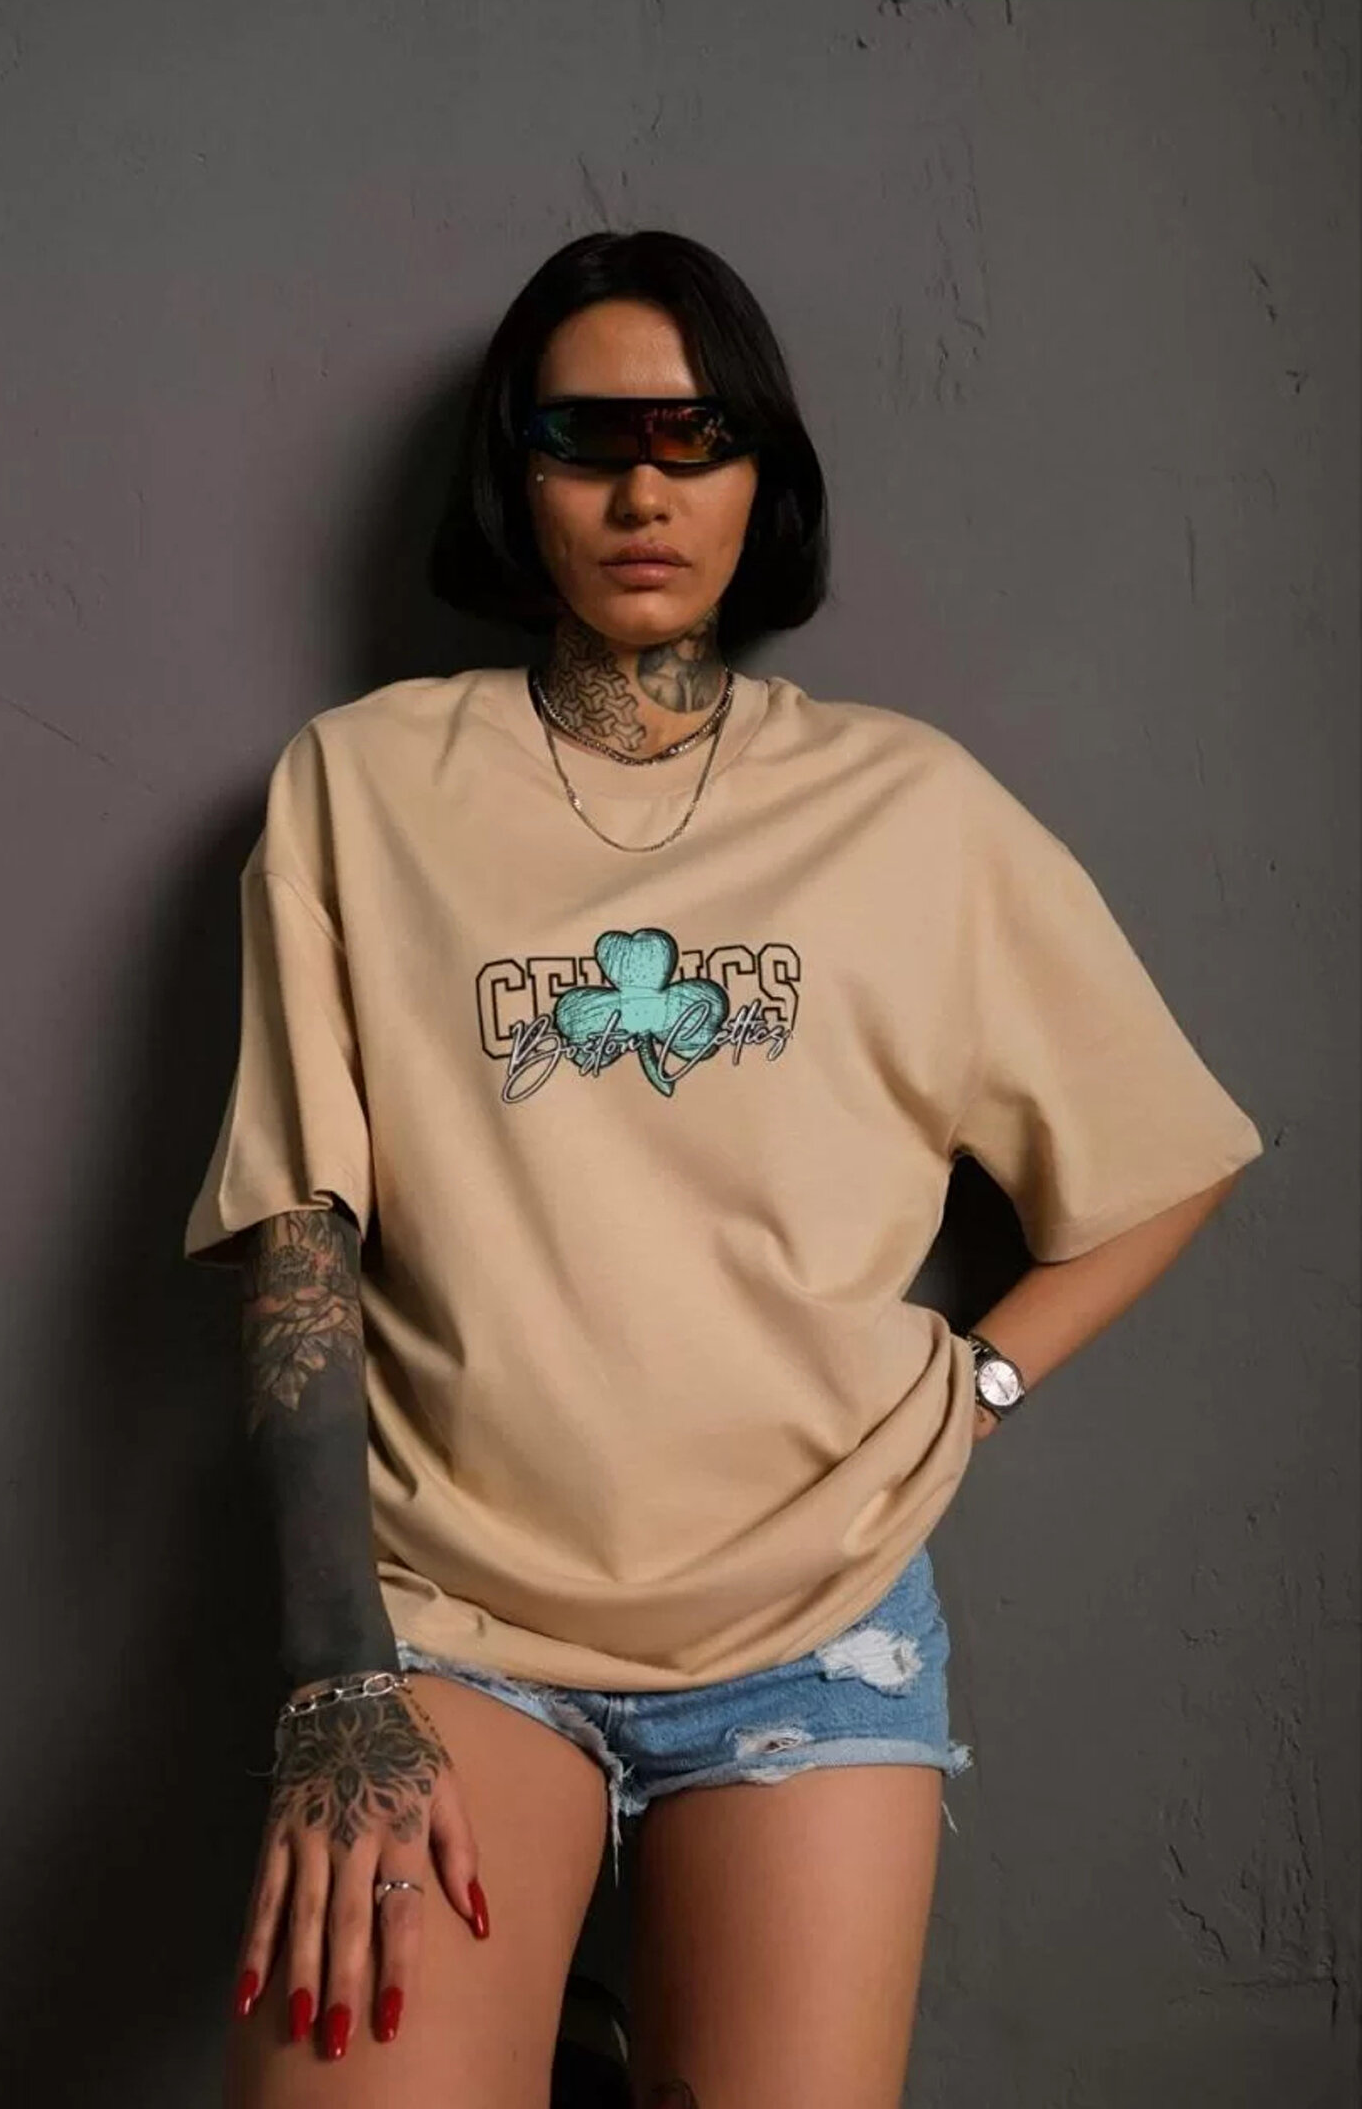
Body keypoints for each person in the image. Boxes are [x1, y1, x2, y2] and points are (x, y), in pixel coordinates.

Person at [183, 229, 1266, 2109]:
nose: (645, 491)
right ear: (516, 476)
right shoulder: (361, 785)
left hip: (812, 1631)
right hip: (453, 1621)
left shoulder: (908, 808)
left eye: (697, 437)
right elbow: (296, 1235)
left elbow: (1163, 1158)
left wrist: (982, 1383)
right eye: (585, 438)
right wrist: (332, 1674)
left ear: (766, 477)